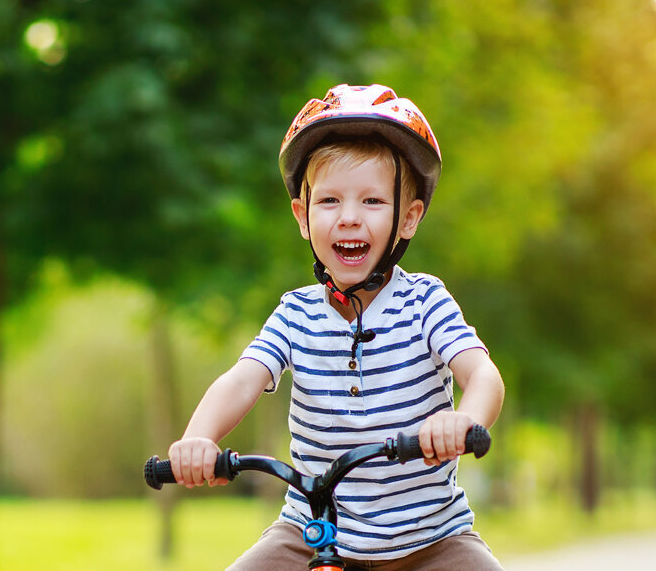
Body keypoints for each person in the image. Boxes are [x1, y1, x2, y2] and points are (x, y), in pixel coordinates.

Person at [168, 84, 506, 570]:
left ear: (408, 218)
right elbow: (242, 379)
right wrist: (199, 439)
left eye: (371, 201)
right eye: (329, 201)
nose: (349, 218)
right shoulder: (295, 315)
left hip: (431, 539)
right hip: (312, 530)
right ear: (302, 217)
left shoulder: (425, 302)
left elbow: (483, 375)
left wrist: (464, 420)